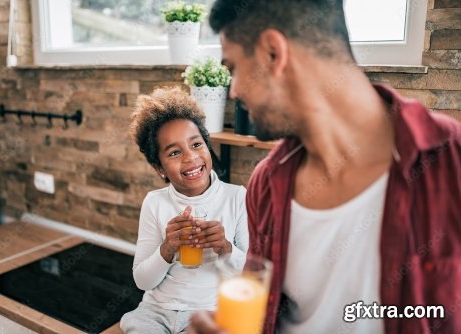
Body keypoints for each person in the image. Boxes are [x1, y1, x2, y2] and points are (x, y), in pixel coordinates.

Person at [188, 0, 461, 333]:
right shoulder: (266, 185)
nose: (234, 91)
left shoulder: (451, 161)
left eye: (233, 69)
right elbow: (259, 310)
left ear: (273, 53)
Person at [119, 86, 248, 334]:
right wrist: (167, 247)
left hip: (212, 311)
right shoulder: (155, 203)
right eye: (175, 152)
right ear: (159, 168)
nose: (190, 158)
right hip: (155, 312)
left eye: (196, 144)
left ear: (208, 146)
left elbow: (252, 275)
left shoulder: (236, 198)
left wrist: (225, 247)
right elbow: (143, 280)